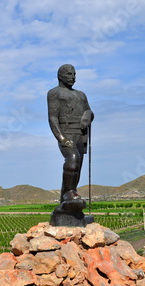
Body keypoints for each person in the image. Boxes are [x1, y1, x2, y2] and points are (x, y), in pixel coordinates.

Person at [48, 64, 94, 204]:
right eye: (69, 74)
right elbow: (53, 117)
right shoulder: (54, 93)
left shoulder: (81, 95)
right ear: (60, 76)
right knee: (72, 160)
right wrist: (61, 138)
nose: (73, 77)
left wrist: (88, 115)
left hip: (80, 134)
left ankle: (66, 198)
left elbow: (89, 111)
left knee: (77, 167)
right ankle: (69, 193)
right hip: (66, 133)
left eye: (74, 74)